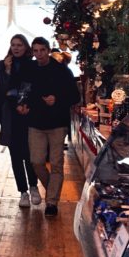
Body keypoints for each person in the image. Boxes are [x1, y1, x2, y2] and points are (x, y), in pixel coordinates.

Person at [19, 37, 80, 217]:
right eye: (36, 51)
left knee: (56, 164)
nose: (39, 54)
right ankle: (52, 190)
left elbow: (75, 96)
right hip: (35, 121)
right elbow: (24, 90)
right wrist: (22, 104)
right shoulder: (29, 69)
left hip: (57, 123)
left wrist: (57, 99)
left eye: (42, 50)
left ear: (48, 50)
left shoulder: (61, 71)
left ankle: (52, 202)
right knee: (36, 162)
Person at [0, 34, 40, 209]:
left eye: (19, 45)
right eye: (13, 45)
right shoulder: (3, 64)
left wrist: (27, 105)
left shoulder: (32, 65)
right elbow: (2, 90)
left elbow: (34, 88)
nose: (16, 48)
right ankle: (23, 192)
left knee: (29, 153)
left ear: (25, 47)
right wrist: (6, 71)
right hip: (10, 115)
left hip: (28, 113)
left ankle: (33, 186)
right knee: (15, 154)